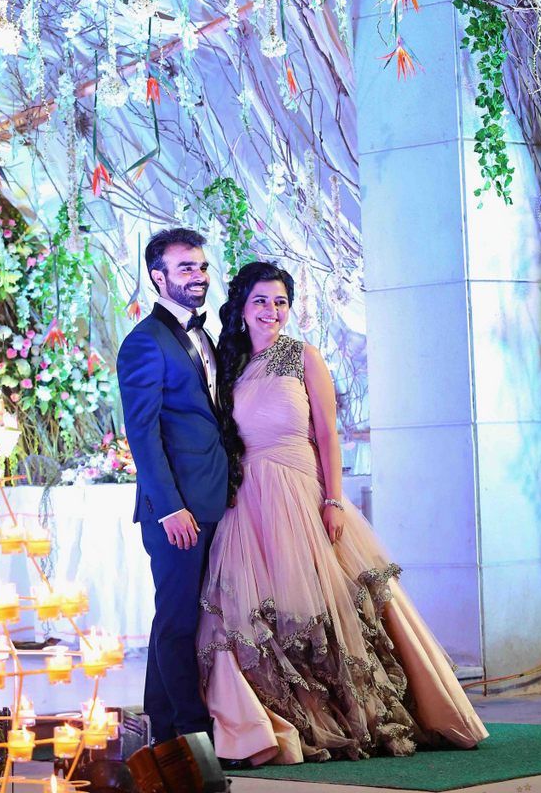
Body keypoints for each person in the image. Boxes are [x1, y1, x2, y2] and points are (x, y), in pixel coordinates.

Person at [197, 260, 488, 766]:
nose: (272, 311)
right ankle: (277, 720)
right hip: (250, 499)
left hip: (302, 489)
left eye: (280, 301)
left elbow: (329, 434)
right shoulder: (232, 364)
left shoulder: (303, 356)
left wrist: (333, 499)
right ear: (241, 307)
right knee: (257, 611)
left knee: (328, 603)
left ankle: (360, 711)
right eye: (261, 301)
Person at [117, 228, 229, 745]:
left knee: (180, 617)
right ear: (158, 276)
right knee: (177, 621)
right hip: (175, 510)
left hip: (210, 498)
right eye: (186, 268)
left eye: (202, 267)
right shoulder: (144, 342)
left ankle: (163, 732)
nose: (199, 277)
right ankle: (191, 730)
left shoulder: (203, 334)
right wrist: (170, 508)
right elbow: (142, 432)